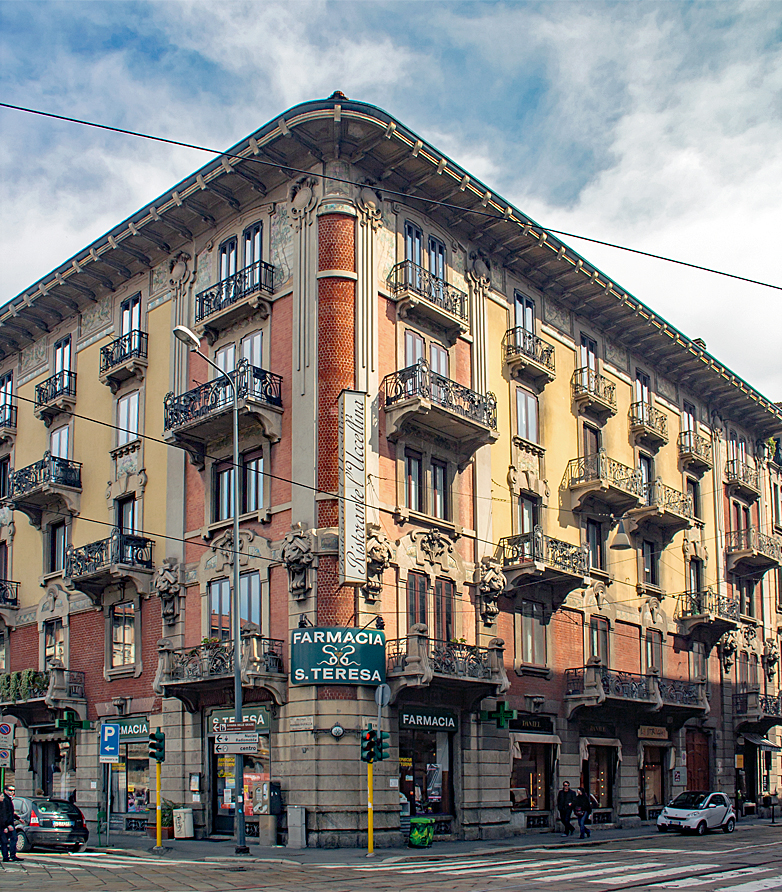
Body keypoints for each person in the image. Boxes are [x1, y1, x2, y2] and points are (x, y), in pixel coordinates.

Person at [0, 785, 22, 863]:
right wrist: (7, 825)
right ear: (5, 790)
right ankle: (8, 856)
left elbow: (10, 812)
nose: (12, 792)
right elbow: (4, 814)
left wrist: (18, 818)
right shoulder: (4, 801)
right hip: (6, 824)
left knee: (7, 840)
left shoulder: (8, 799)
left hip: (8, 823)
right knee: (8, 840)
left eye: (13, 790)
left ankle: (9, 856)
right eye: (10, 790)